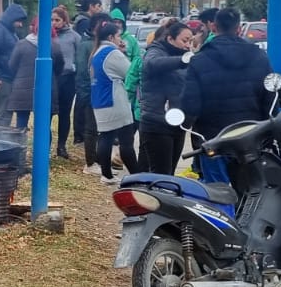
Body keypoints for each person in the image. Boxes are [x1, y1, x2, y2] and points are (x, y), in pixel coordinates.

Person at [176, 7, 274, 183]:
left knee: (218, 193)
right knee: (250, 191)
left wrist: (184, 122)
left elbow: (190, 104)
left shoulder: (200, 60)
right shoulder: (259, 57)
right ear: (238, 29)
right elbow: (270, 98)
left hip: (214, 139)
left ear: (214, 27)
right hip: (250, 138)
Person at [136, 19, 193, 175]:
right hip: (157, 124)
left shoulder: (184, 57)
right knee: (161, 175)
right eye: (185, 40)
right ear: (170, 39)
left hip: (178, 124)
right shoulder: (155, 51)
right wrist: (182, 60)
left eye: (191, 41)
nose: (188, 45)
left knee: (169, 175)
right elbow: (153, 64)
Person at [90, 20, 137, 185]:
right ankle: (137, 176)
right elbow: (130, 72)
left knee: (106, 136)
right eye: (118, 36)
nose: (120, 39)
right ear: (111, 37)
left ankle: (107, 174)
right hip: (114, 99)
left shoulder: (97, 51)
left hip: (100, 99)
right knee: (126, 141)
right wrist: (123, 52)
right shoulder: (112, 52)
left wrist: (120, 50)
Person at [3, 16, 62, 130]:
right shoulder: (54, 46)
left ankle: (21, 147)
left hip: (23, 89)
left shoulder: (21, 44)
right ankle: (44, 148)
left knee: (21, 124)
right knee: (44, 126)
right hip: (46, 88)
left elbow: (12, 65)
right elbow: (59, 67)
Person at [73, 12, 111, 173]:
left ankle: (99, 160)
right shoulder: (86, 45)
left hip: (102, 93)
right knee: (91, 128)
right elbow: (82, 71)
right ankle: (90, 163)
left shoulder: (100, 44)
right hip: (91, 92)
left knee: (101, 128)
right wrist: (87, 93)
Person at [0, 2, 27, 123]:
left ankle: (2, 138)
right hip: (2, 79)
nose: (20, 24)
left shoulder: (9, 32)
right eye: (18, 21)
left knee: (6, 112)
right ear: (11, 18)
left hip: (7, 78)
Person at [52, 6, 80, 159]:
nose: (54, 23)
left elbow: (79, 56)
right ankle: (46, 146)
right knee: (48, 112)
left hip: (68, 78)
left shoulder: (74, 36)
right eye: (52, 20)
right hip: (51, 78)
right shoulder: (47, 35)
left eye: (57, 20)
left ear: (64, 21)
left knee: (64, 113)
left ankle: (61, 146)